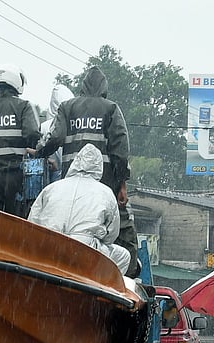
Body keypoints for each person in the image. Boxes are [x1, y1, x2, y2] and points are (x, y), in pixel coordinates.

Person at [37, 65, 138, 275]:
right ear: (104, 89)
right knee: (122, 227)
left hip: (69, 183)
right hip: (105, 184)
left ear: (82, 87)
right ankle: (128, 279)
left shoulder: (67, 107)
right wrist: (122, 184)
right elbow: (120, 151)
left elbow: (54, 138)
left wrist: (37, 152)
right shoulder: (110, 109)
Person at [26, 144, 130, 274]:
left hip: (48, 247)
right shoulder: (106, 193)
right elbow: (111, 235)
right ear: (99, 167)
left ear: (75, 163)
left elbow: (31, 224)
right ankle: (96, 288)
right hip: (84, 252)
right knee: (124, 256)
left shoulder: (51, 188)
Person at [0, 65, 41, 217]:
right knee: (16, 220)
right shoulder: (24, 106)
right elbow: (33, 133)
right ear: (16, 84)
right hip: (15, 176)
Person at [37, 84, 74, 187]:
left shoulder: (44, 126)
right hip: (71, 175)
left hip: (50, 178)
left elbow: (39, 151)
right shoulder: (74, 123)